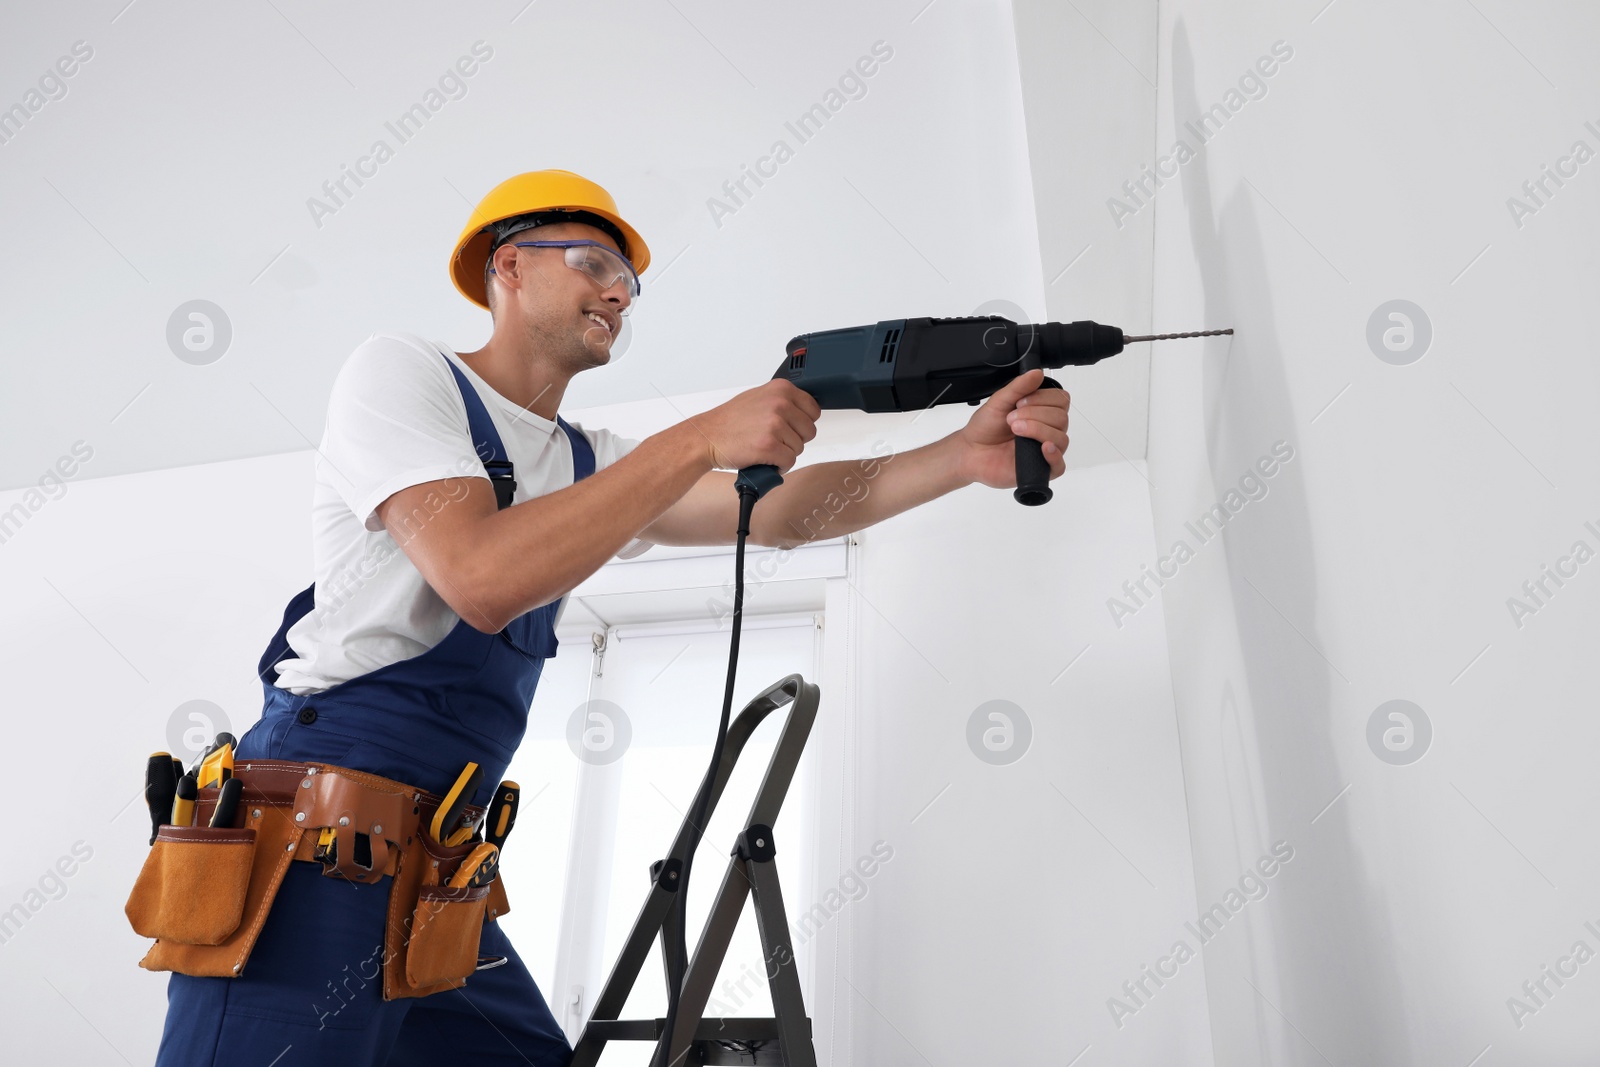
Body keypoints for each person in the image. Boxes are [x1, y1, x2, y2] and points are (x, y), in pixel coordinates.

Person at [151, 169, 1070, 1065]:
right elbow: (480, 574)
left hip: (437, 872)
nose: (618, 295)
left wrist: (957, 456)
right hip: (312, 852)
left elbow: (779, 510)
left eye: (628, 282)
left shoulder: (588, 463)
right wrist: (700, 436)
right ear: (507, 267)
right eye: (593, 262)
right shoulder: (402, 372)